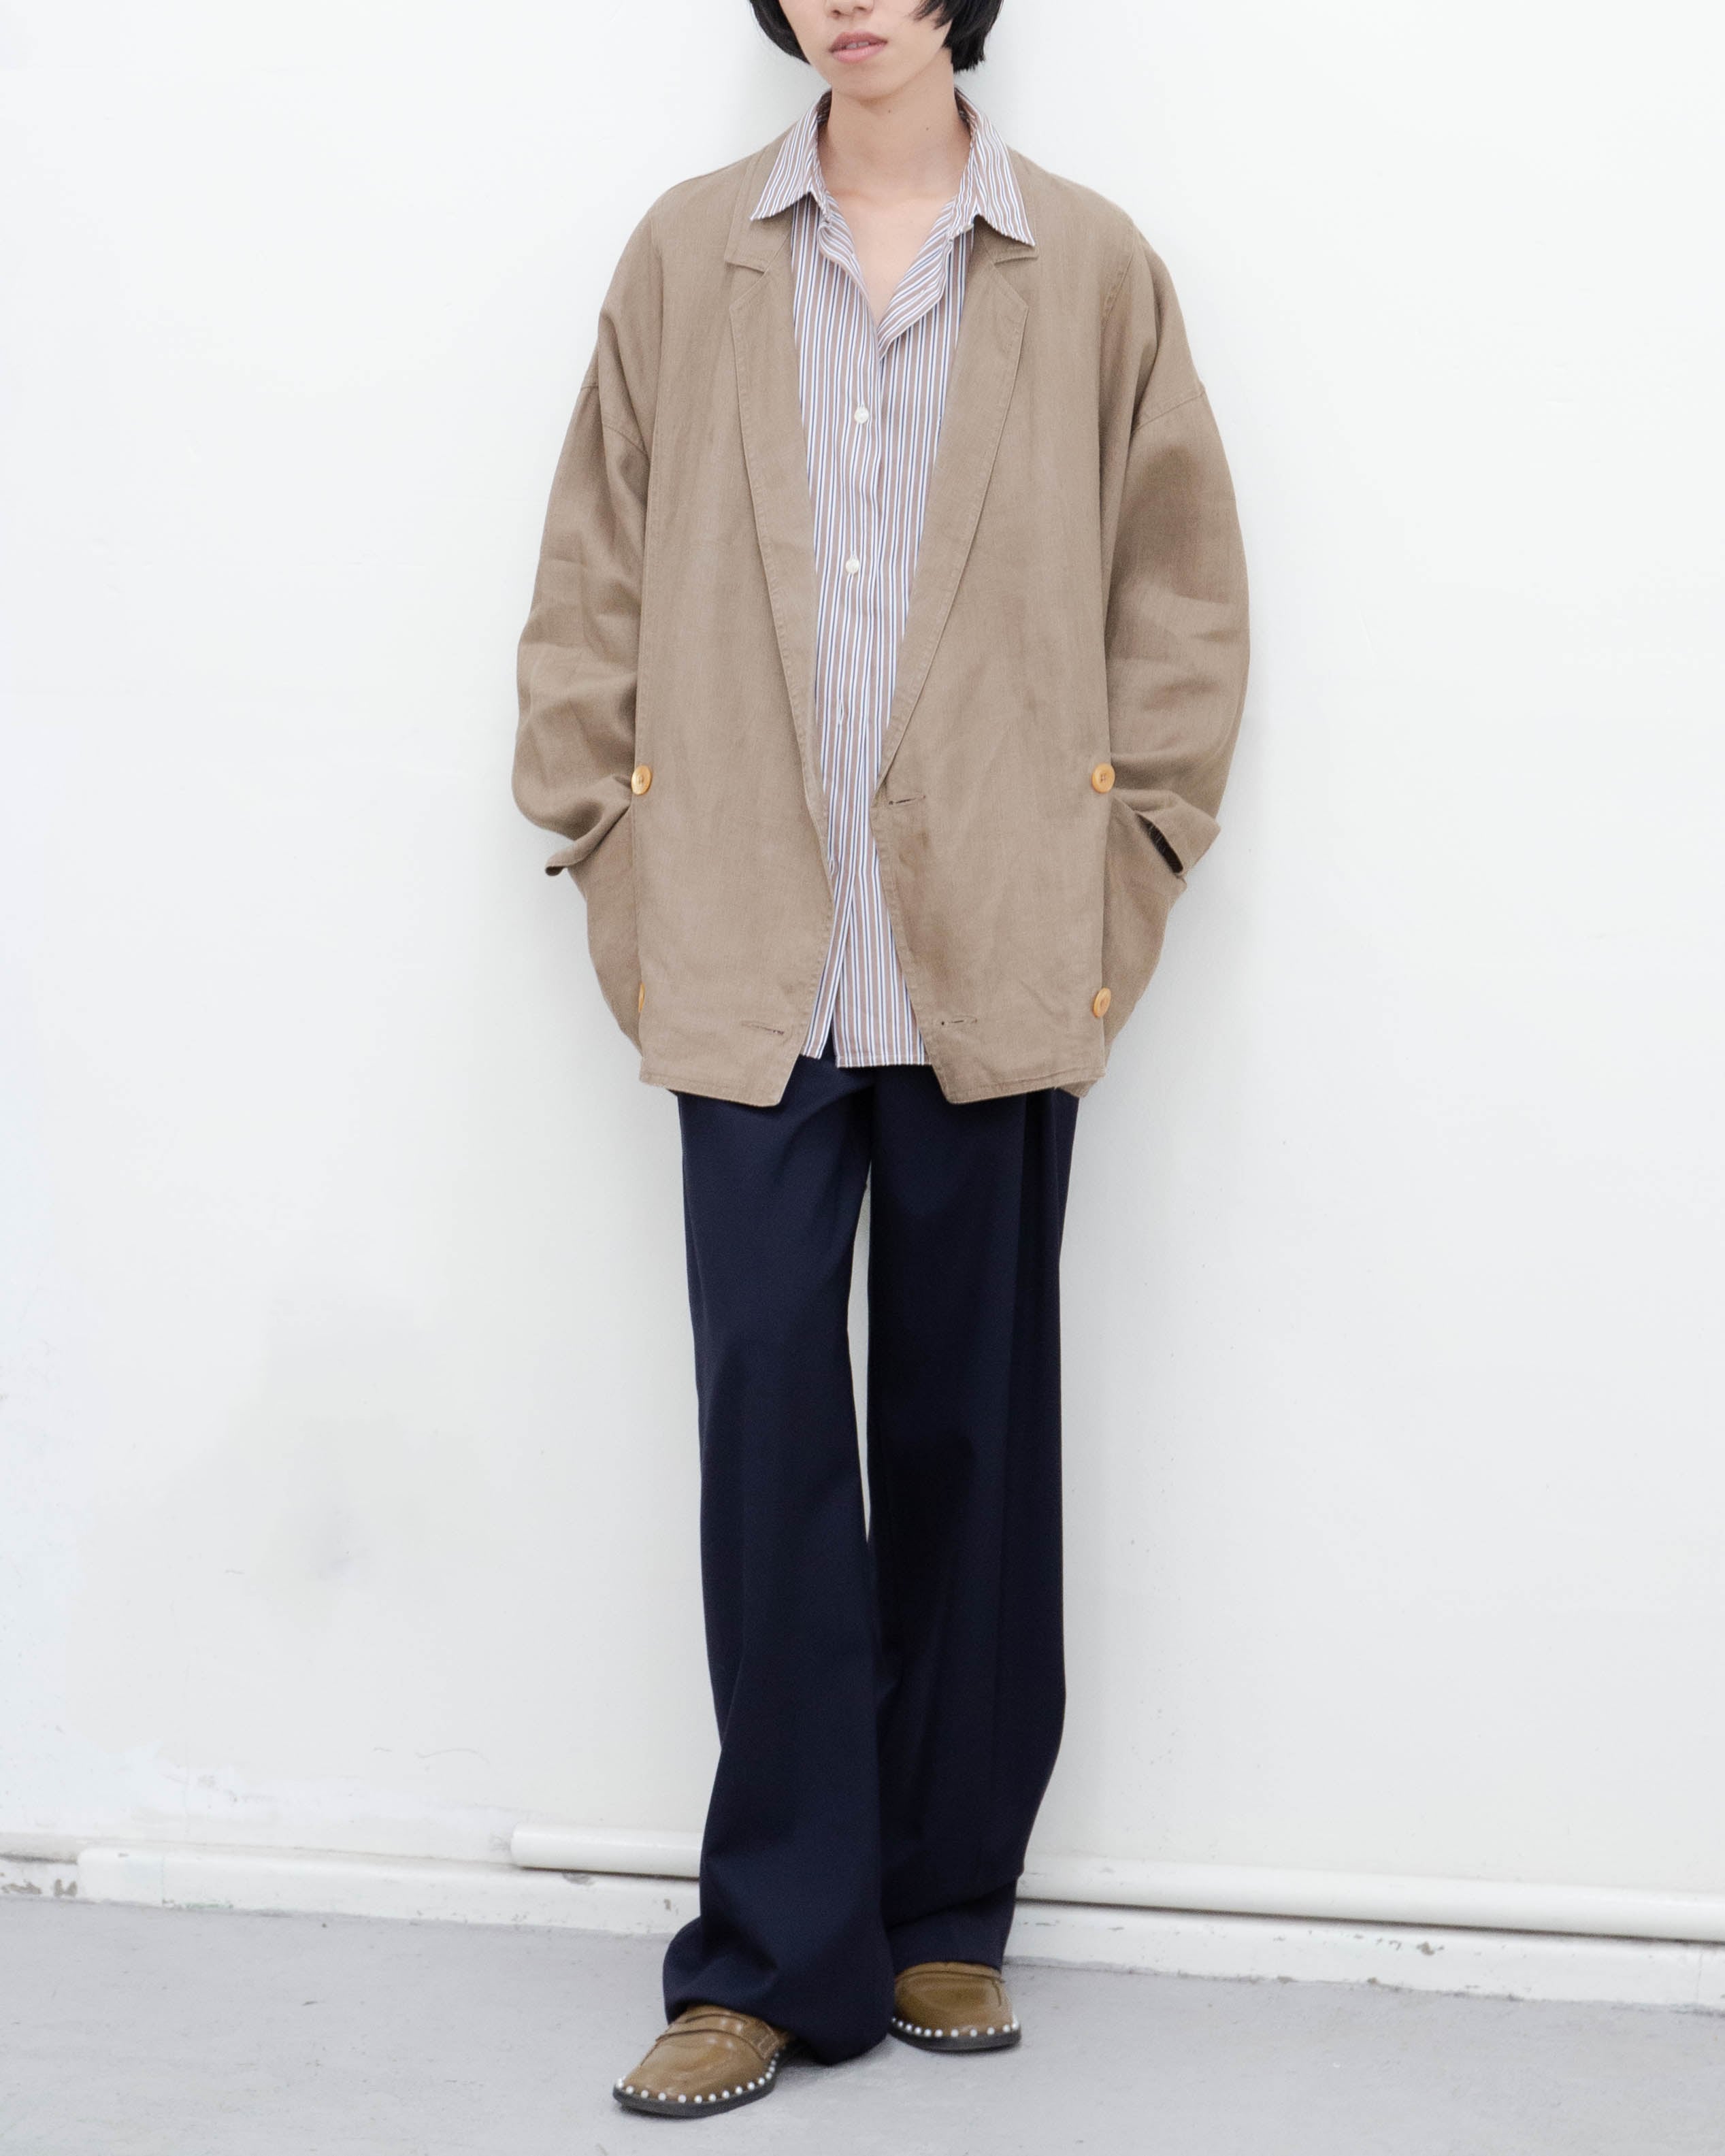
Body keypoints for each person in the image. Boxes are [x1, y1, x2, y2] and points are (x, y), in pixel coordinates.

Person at [512, 0, 1248, 2119]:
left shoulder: (1088, 265)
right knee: (767, 1423)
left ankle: (942, 1910)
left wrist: (1129, 864)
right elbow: (590, 566)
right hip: (744, 931)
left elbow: (1183, 596)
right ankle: (766, 1953)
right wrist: (610, 845)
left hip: (996, 940)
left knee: (964, 1432)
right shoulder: (692, 253)